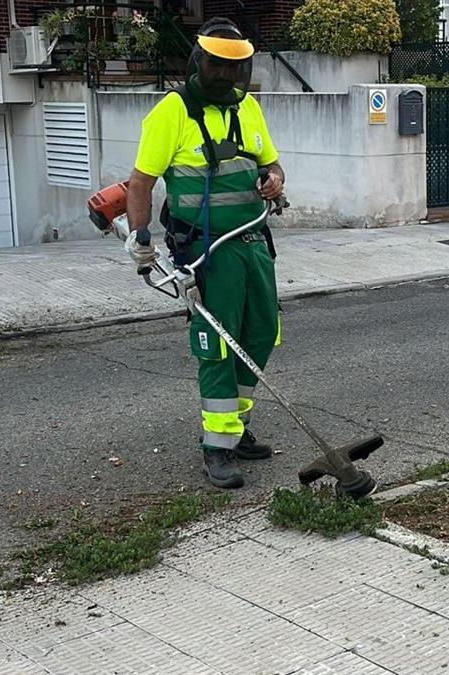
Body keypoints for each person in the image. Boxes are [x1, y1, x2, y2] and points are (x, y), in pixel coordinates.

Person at [123, 17, 285, 489]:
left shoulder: (249, 108)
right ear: (200, 62)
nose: (225, 76)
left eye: (234, 69)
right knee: (218, 343)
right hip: (206, 253)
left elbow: (270, 162)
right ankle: (218, 446)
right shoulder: (170, 112)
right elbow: (141, 182)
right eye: (217, 65)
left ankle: (234, 426)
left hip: (254, 244)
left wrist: (275, 178)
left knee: (260, 334)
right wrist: (140, 237)